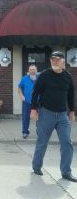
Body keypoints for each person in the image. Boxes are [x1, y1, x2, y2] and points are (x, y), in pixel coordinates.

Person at [30, 51, 76, 182]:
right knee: (42, 142)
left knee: (67, 142)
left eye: (57, 59)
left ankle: (66, 172)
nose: (55, 61)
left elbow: (71, 95)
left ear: (63, 61)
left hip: (62, 115)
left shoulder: (67, 76)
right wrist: (33, 109)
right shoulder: (44, 75)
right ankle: (37, 166)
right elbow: (35, 93)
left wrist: (72, 111)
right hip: (46, 113)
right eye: (52, 59)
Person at [18, 64, 38, 139]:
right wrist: (21, 96)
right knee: (26, 117)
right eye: (31, 69)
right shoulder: (24, 79)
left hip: (38, 103)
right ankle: (25, 132)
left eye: (34, 69)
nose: (32, 71)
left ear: (36, 70)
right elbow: (19, 88)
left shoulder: (40, 79)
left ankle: (39, 131)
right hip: (27, 102)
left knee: (39, 118)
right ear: (28, 71)